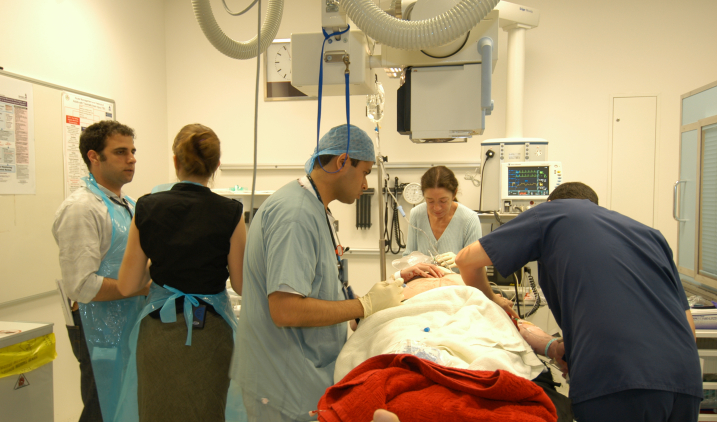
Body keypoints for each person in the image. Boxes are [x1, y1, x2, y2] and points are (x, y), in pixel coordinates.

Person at [455, 181, 702, 422]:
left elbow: (465, 260)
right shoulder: (651, 235)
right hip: (685, 379)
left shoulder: (552, 212)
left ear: (550, 203)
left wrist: (494, 301)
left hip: (616, 380)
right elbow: (687, 326)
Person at [233, 124, 404, 421]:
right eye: (365, 172)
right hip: (283, 387)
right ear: (342, 162)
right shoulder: (295, 215)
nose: (366, 184)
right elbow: (285, 309)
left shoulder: (315, 208)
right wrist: (364, 305)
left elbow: (322, 283)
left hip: (303, 377)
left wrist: (358, 311)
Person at [116, 124, 246, 421]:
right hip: (211, 333)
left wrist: (157, 266)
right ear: (216, 166)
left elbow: (127, 285)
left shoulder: (146, 207)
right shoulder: (231, 212)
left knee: (156, 411)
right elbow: (240, 284)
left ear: (175, 161)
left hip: (158, 332)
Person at [52, 120, 150, 422]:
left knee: (127, 408)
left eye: (133, 151)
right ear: (94, 156)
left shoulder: (129, 204)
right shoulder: (82, 208)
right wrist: (139, 286)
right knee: (103, 409)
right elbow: (81, 287)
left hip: (131, 325)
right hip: (100, 332)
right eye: (120, 152)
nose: (131, 159)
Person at [402, 166, 482, 273]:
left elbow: (480, 268)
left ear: (454, 194)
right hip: (425, 285)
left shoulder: (469, 219)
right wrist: (414, 264)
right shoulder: (417, 214)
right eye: (430, 201)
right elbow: (408, 256)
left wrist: (462, 261)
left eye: (443, 201)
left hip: (456, 287)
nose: (437, 208)